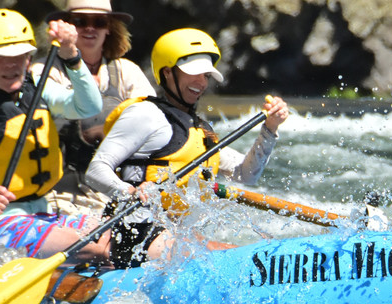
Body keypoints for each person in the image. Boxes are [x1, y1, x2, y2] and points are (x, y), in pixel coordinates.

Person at [85, 28, 290, 266]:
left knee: (253, 251)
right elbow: (96, 170)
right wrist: (129, 192)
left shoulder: (198, 128)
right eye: (193, 74)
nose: (201, 83)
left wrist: (270, 129)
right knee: (238, 259)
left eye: (205, 75)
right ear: (168, 72)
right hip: (137, 236)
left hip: (176, 236)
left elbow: (246, 174)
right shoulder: (144, 114)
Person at [0, 8, 112, 263]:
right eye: (0, 58)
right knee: (97, 248)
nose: (11, 65)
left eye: (19, 56)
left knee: (121, 232)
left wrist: (72, 57)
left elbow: (88, 106)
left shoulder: (37, 89)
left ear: (29, 60)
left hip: (43, 212)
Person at [31, 0, 155, 211]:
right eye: (80, 20)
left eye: (99, 21)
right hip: (57, 196)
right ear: (67, 26)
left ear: (109, 28)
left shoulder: (128, 71)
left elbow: (154, 124)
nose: (90, 28)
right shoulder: (43, 70)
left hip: (117, 193)